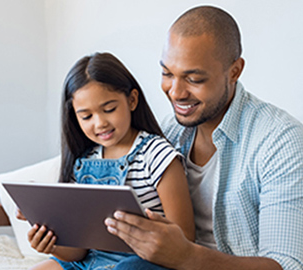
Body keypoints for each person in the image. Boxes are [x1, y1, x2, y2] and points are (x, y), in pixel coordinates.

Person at [104, 5, 303, 270]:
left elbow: (287, 265)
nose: (175, 92)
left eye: (194, 79)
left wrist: (187, 256)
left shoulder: (281, 141)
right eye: (167, 74)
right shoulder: (169, 132)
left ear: (234, 71)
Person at [24, 52, 195, 270]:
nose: (100, 123)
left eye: (109, 109)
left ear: (132, 100)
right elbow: (79, 250)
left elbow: (185, 239)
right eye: (86, 116)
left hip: (143, 261)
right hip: (91, 262)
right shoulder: (84, 161)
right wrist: (52, 244)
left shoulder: (157, 155)